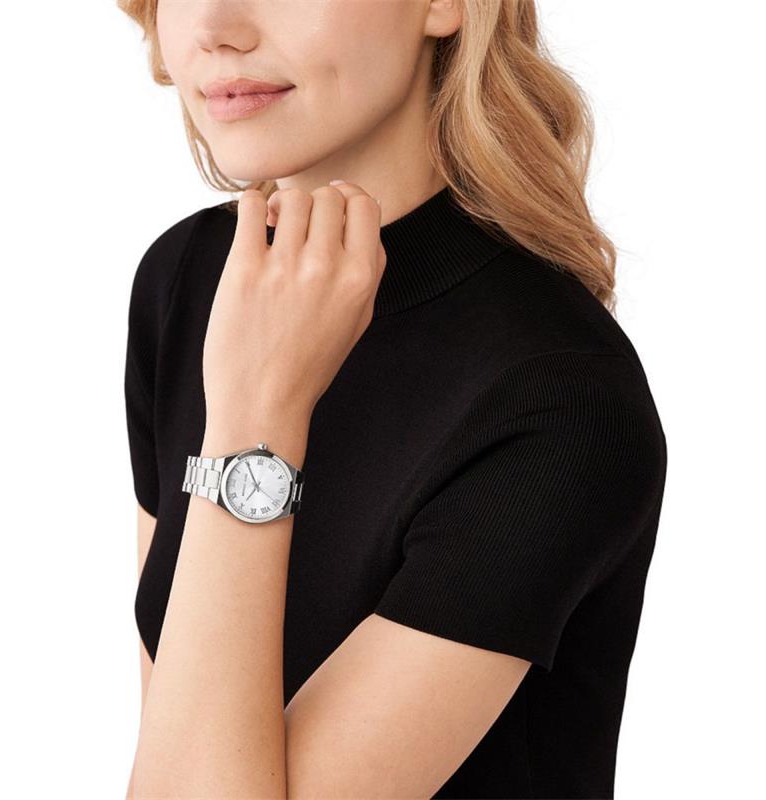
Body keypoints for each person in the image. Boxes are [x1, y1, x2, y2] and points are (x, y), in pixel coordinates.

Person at [119, 1, 668, 797]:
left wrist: (255, 419)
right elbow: (173, 760)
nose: (212, 25)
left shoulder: (560, 399)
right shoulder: (188, 280)